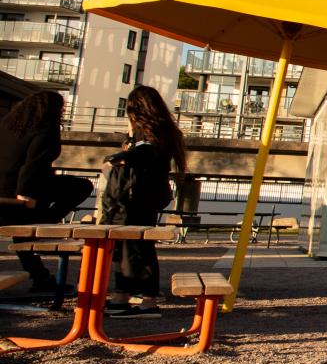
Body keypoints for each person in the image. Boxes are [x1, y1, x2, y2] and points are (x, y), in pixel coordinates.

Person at [100, 86, 188, 312]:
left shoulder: (150, 136)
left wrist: (121, 156)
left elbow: (144, 155)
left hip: (133, 197)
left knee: (132, 247)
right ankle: (132, 295)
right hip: (145, 197)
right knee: (134, 247)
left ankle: (134, 296)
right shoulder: (163, 131)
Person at [0, 91, 94, 293]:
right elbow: (33, 163)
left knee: (22, 231)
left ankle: (41, 278)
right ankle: (47, 221)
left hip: (3, 196)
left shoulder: (6, 125)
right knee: (82, 186)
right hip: (21, 192)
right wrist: (23, 193)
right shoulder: (45, 128)